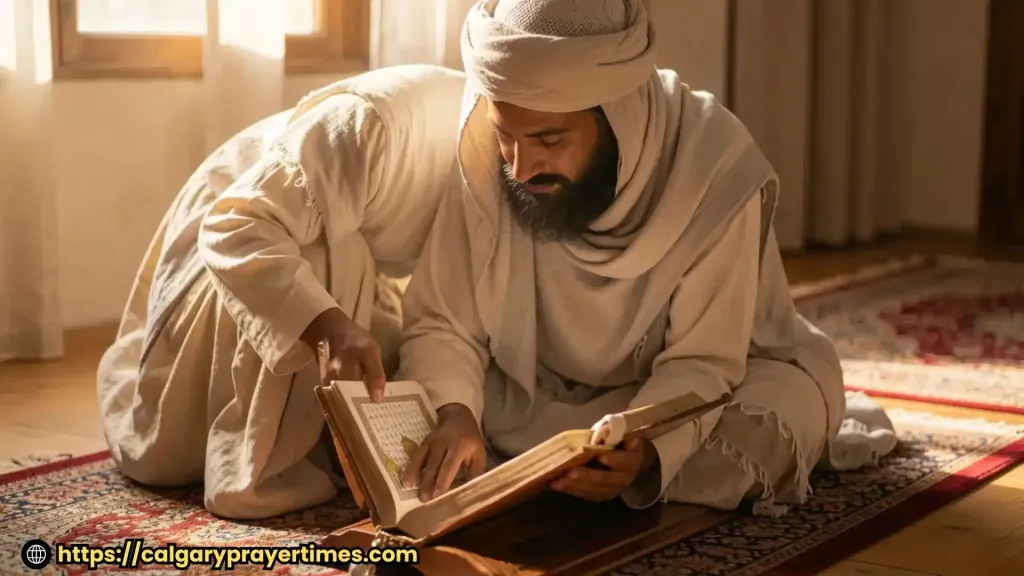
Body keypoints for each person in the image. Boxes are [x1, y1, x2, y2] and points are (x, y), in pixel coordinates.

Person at [398, 0, 896, 514]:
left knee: (776, 422)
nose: (521, 168)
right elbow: (443, 319)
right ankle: (544, 466)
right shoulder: (484, 153)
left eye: (549, 139)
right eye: (507, 136)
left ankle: (571, 473)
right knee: (411, 401)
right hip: (528, 392)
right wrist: (454, 410)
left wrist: (645, 451)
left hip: (684, 395)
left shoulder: (712, 166)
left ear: (620, 116)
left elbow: (702, 360)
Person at [97, 64, 466, 519]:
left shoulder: (516, 175)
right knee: (334, 251)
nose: (525, 162)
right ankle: (249, 461)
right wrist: (328, 327)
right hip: (230, 263)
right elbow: (233, 227)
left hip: (362, 289)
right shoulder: (375, 122)